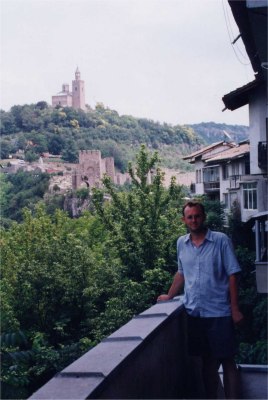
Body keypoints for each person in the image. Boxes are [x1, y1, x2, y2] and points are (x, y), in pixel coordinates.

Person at [157, 200, 244, 399]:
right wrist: (170, 295)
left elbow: (233, 274)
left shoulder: (220, 240)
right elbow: (181, 272)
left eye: (197, 216)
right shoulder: (181, 243)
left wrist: (235, 308)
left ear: (203, 217)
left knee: (228, 360)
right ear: (184, 220)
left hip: (220, 311)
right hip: (195, 313)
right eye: (190, 217)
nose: (194, 220)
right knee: (206, 363)